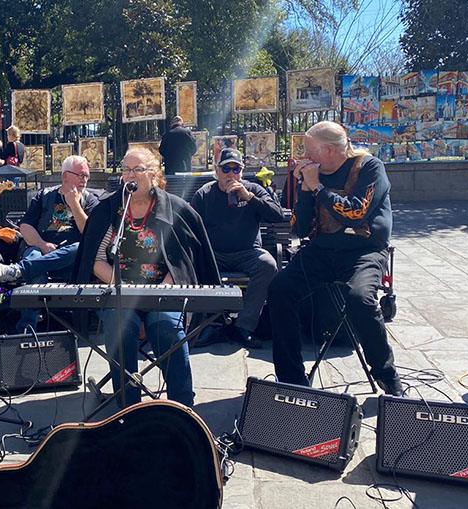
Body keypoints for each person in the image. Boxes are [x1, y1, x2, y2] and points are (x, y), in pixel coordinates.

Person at [72, 147, 220, 407]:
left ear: (153, 174)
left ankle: (182, 405)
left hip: (163, 292)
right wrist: (126, 291)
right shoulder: (109, 210)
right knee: (121, 326)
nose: (130, 175)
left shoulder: (174, 209)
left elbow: (182, 263)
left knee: (166, 328)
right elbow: (94, 261)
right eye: (126, 170)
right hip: (119, 291)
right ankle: (128, 407)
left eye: (137, 169)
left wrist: (153, 297)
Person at [267, 121, 402, 395]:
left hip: (364, 251)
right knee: (280, 289)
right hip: (322, 250)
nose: (303, 157)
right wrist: (304, 191)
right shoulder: (312, 175)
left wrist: (318, 188)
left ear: (328, 151)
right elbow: (300, 228)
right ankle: (292, 379)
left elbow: (356, 213)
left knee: (360, 300)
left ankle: (388, 378)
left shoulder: (369, 168)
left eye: (308, 151)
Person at [0, 155, 99, 332]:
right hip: (41, 249)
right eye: (80, 175)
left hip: (71, 261)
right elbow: (25, 227)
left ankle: (19, 270)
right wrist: (43, 245)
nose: (84, 180)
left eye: (87, 176)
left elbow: (90, 235)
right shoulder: (44, 196)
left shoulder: (90, 200)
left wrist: (74, 204)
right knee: (35, 260)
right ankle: (27, 330)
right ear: (65, 176)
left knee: (80, 248)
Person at [191, 148, 283, 349]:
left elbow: (277, 215)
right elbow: (190, 227)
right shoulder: (205, 193)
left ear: (241, 172)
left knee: (267, 264)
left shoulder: (254, 189)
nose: (231, 174)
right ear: (217, 171)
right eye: (226, 169)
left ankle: (244, 327)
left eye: (236, 169)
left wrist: (249, 198)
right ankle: (211, 324)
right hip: (215, 253)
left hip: (247, 252)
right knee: (195, 262)